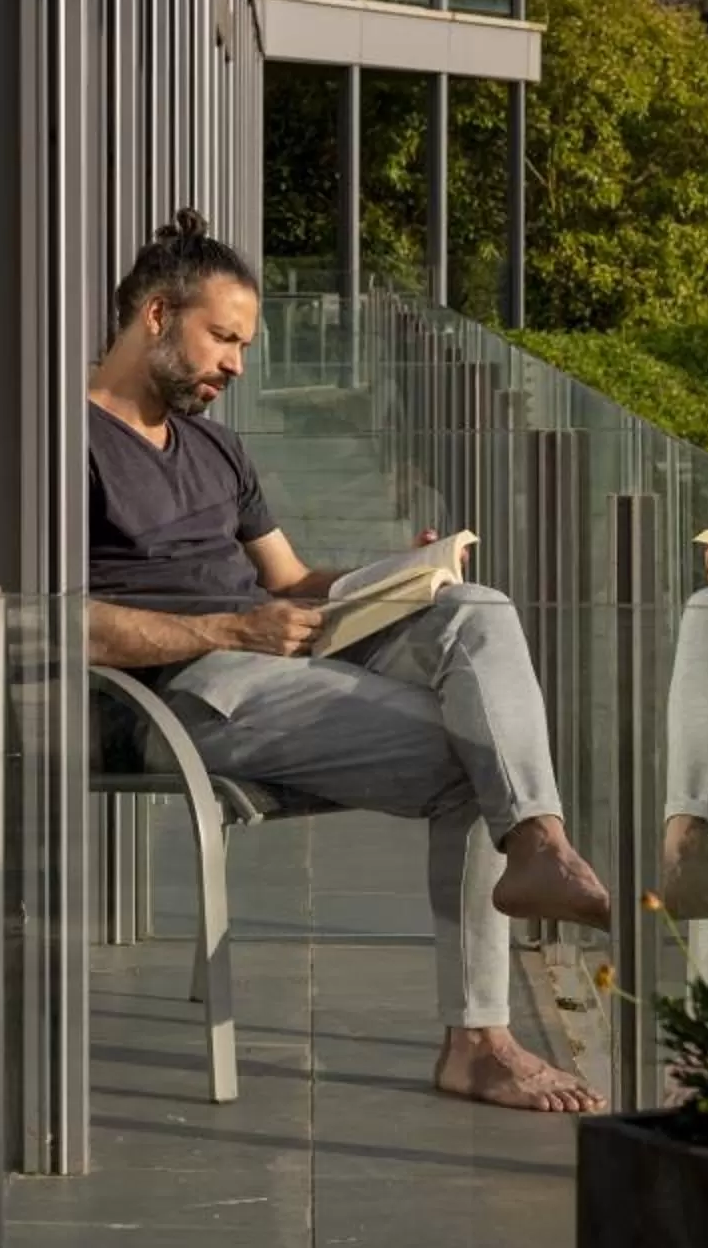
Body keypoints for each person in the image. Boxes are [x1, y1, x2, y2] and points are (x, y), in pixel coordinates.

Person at [84, 209, 624, 1113]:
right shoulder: (68, 446)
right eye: (223, 338)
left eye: (244, 344)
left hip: (266, 648)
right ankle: (478, 1041)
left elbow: (292, 579)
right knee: (470, 757)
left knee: (476, 610)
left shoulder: (214, 445)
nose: (236, 365)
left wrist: (403, 575)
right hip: (178, 693)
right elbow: (61, 624)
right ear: (155, 317)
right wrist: (226, 630)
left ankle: (539, 843)